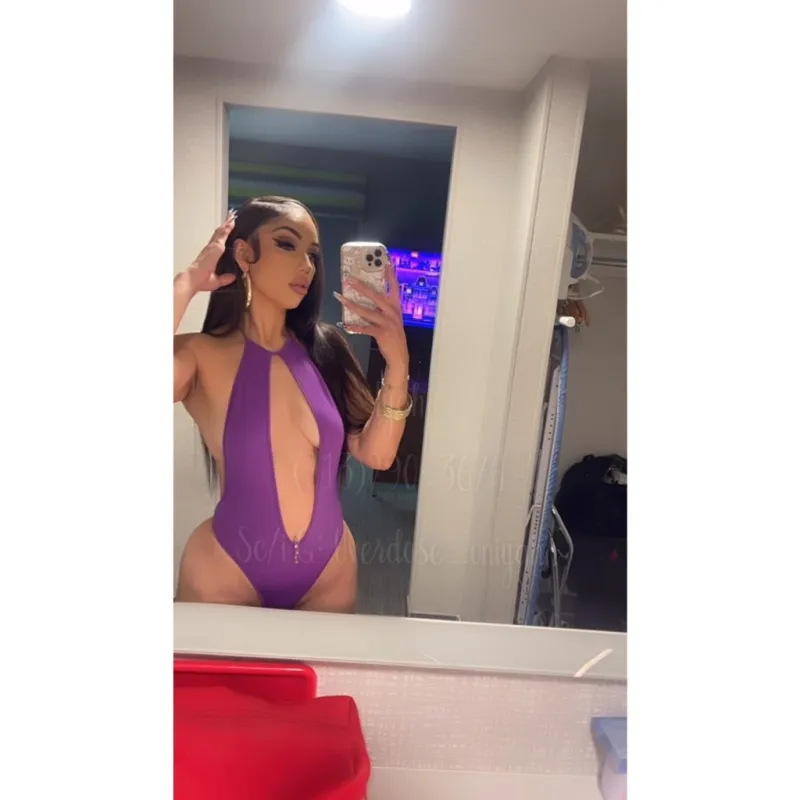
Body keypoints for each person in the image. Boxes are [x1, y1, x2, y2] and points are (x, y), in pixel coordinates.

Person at [173, 196, 411, 612]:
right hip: (226, 570)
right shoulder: (199, 355)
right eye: (287, 244)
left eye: (313, 254)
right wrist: (186, 283)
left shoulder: (327, 349)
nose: (307, 266)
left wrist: (398, 362)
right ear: (243, 254)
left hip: (329, 571)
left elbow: (378, 454)